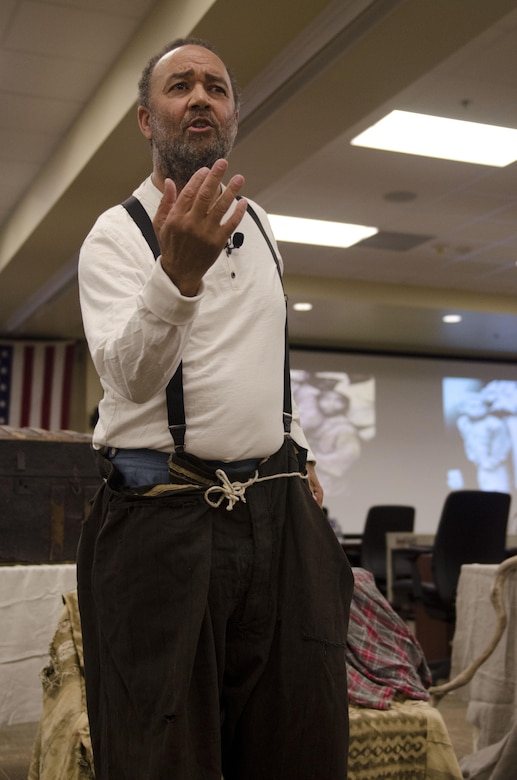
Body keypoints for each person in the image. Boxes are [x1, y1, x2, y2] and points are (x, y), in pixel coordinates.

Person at [77, 37, 353, 780]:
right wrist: (177, 273)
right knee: (161, 745)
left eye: (216, 87)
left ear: (230, 117)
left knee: (299, 730)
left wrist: (295, 445)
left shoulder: (259, 223)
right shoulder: (114, 236)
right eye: (180, 86)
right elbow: (130, 380)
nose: (200, 96)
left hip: (277, 518)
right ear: (146, 119)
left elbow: (262, 356)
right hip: (160, 524)